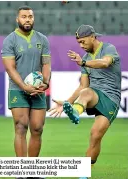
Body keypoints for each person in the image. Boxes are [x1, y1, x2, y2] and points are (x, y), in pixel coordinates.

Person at [49, 24, 121, 179]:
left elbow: (105, 63)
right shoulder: (86, 58)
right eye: (79, 43)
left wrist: (83, 63)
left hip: (111, 98)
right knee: (86, 91)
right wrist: (66, 102)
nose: (81, 45)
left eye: (83, 41)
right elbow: (83, 85)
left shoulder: (108, 48)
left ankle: (87, 167)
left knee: (95, 135)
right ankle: (75, 111)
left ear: (93, 37)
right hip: (93, 95)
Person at [1, 6, 51, 179]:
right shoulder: (10, 40)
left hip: (37, 90)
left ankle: (33, 171)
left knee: (37, 128)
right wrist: (24, 86)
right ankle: (21, 171)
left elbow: (46, 64)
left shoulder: (42, 39)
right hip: (18, 89)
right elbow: (10, 68)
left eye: (30, 16)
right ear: (17, 19)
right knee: (21, 127)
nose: (28, 19)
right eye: (24, 16)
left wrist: (44, 83)